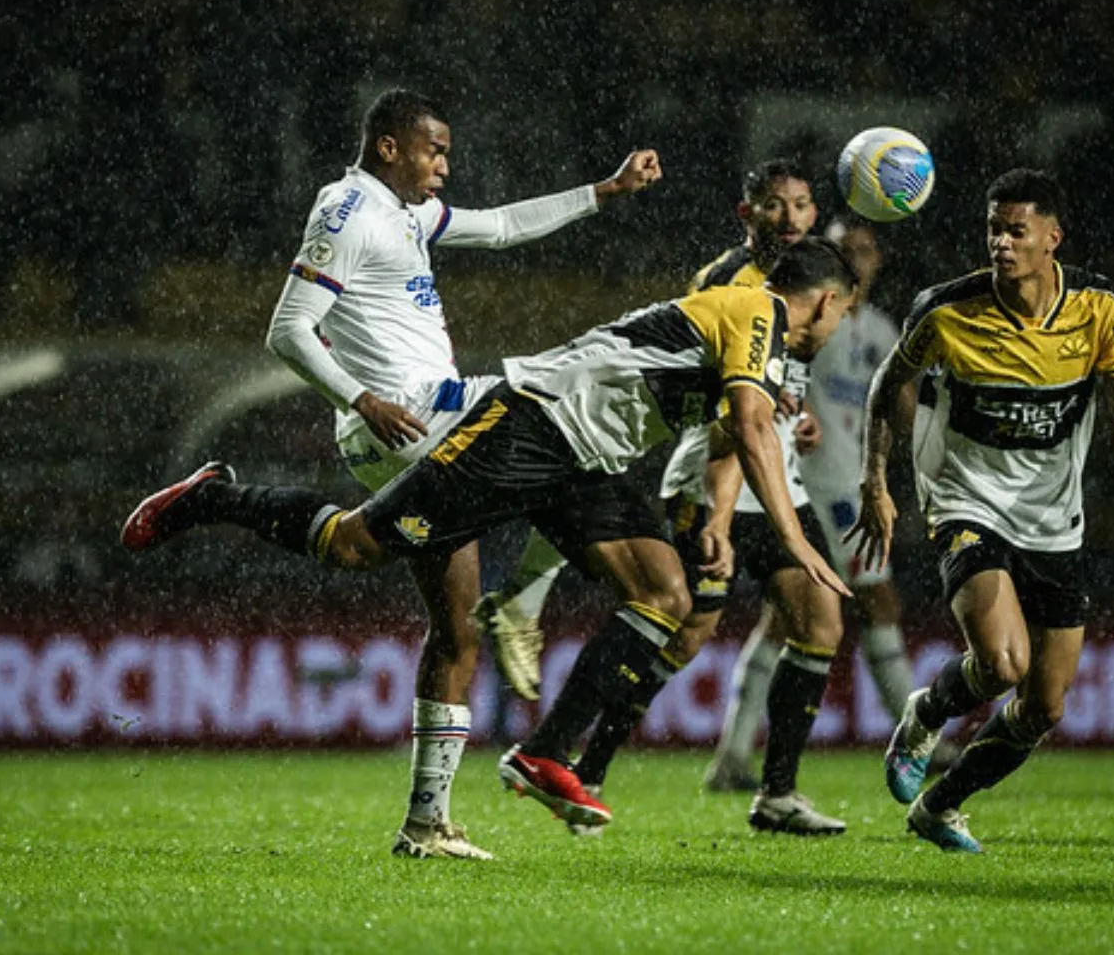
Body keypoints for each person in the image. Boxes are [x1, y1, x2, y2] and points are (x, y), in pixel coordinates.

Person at [121, 238, 858, 834]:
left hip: (585, 458)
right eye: (843, 315)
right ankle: (217, 496)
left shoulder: (756, 341)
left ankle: (544, 756)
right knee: (355, 546)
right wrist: (794, 542)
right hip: (533, 422)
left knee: (665, 592)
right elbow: (753, 427)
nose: (838, 329)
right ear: (826, 299)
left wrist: (723, 517)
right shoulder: (756, 308)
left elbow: (737, 427)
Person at [150, 87, 661, 861]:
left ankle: (426, 824)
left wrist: (604, 191)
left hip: (424, 430)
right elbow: (287, 330)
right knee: (557, 411)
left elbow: (499, 228)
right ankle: (526, 596)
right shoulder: (348, 210)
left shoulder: (408, 216)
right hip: (413, 419)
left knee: (449, 629)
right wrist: (364, 399)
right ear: (389, 146)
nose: (445, 167)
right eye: (435, 150)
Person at [854, 168, 1114, 853]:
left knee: (1043, 706)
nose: (1000, 242)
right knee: (1001, 663)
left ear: (1053, 238)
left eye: (1016, 230)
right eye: (994, 228)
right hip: (966, 495)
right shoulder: (946, 310)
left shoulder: (1098, 308)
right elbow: (887, 386)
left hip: (1053, 515)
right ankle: (925, 713)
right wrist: (877, 481)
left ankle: (941, 804)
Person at [562, 161, 852, 836]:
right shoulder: (734, 284)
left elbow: (776, 388)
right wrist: (720, 513)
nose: (789, 217)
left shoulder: (805, 283)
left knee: (821, 624)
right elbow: (728, 417)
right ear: (746, 213)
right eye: (774, 205)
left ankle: (778, 795)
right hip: (712, 473)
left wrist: (793, 413)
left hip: (770, 473)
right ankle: (588, 769)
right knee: (686, 633)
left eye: (802, 205)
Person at [703, 212, 934, 793]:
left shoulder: (880, 330)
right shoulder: (808, 322)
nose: (858, 257)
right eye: (844, 249)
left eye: (865, 248)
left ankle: (732, 753)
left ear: (879, 260)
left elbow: (902, 409)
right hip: (814, 484)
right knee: (873, 602)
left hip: (849, 482)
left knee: (787, 618)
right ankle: (919, 735)